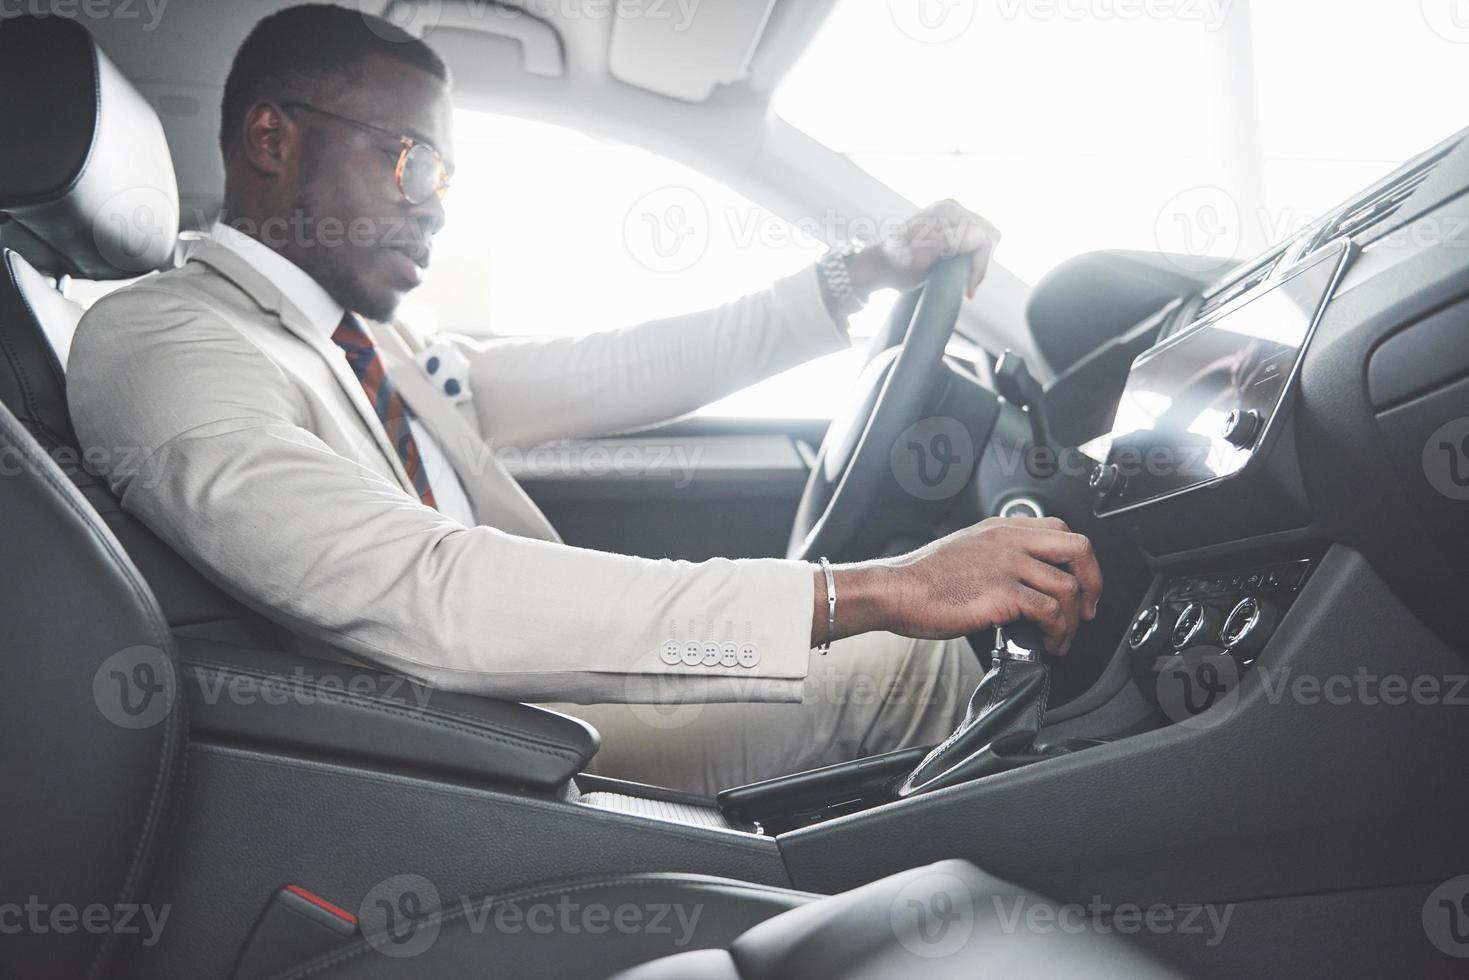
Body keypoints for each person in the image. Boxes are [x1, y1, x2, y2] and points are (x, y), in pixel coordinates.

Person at [67, 4, 1100, 795]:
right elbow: (432, 593)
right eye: (412, 162)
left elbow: (621, 366)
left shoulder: (363, 341)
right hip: (446, 748)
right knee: (894, 667)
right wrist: (864, 590)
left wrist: (862, 272)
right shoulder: (164, 341)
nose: (435, 207)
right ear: (269, 138)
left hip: (504, 701)